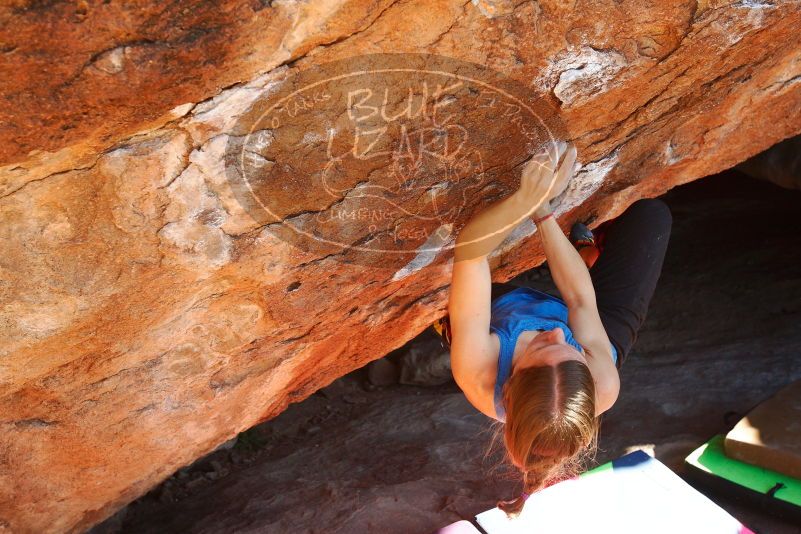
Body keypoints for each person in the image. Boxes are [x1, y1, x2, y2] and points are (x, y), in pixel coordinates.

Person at [443, 140, 672, 517]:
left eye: (541, 350)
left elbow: (471, 252)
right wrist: (545, 214)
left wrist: (527, 198)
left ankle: (579, 259)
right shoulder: (603, 382)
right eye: (569, 349)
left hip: (505, 311)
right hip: (595, 325)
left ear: (511, 381)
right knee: (652, 218)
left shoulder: (479, 372)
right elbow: (580, 302)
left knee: (460, 294)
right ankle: (587, 254)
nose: (553, 332)